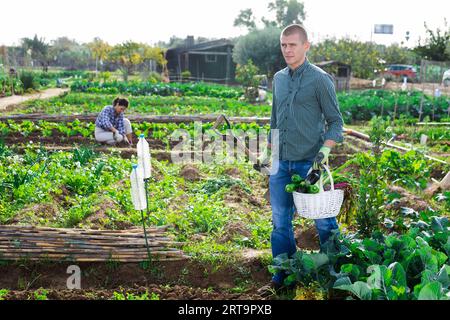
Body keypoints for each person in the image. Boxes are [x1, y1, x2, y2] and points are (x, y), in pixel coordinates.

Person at [260, 24, 344, 295]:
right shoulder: (279, 79)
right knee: (280, 220)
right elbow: (275, 119)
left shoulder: (320, 80)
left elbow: (335, 123)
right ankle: (284, 275)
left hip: (310, 162)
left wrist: (321, 159)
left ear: (306, 46)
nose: (287, 50)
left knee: (323, 221)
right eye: (283, 45)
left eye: (292, 45)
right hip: (281, 163)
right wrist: (267, 153)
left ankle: (334, 275)